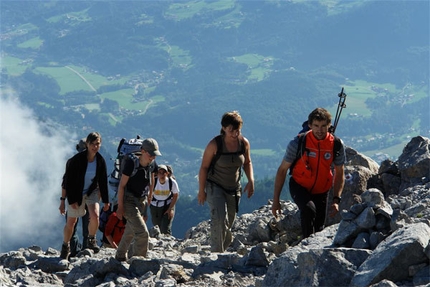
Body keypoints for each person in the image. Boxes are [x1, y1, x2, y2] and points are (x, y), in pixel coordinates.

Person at [271, 107, 346, 239]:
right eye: (316, 126)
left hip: (322, 190)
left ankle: (312, 251)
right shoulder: (299, 143)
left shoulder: (336, 144)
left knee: (319, 228)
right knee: (308, 210)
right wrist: (276, 200)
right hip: (299, 185)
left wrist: (336, 199)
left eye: (323, 126)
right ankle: (306, 245)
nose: (320, 130)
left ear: (329, 125)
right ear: (310, 125)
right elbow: (282, 170)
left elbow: (339, 173)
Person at [198, 111, 254, 253]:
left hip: (234, 188)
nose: (235, 134)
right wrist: (201, 191)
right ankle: (216, 253)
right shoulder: (214, 144)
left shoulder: (243, 143)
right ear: (223, 128)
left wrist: (251, 180)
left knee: (229, 221)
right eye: (231, 130)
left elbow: (247, 162)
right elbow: (204, 167)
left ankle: (224, 243)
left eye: (237, 130)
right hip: (215, 186)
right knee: (219, 218)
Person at [60, 132, 110, 260]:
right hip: (76, 194)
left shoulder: (100, 161)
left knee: (95, 215)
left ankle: (91, 240)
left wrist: (106, 201)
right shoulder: (76, 161)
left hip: (91, 192)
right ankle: (66, 246)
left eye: (97, 144)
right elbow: (68, 182)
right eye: (92, 144)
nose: (95, 147)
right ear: (87, 144)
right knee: (71, 222)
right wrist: (69, 200)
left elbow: (103, 180)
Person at [115, 138, 161, 261]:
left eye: (154, 155)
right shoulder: (131, 163)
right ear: (143, 151)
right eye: (150, 154)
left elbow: (151, 182)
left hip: (142, 200)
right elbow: (122, 186)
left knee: (131, 229)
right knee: (142, 233)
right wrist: (120, 207)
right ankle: (138, 262)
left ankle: (120, 256)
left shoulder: (152, 165)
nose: (153, 157)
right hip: (128, 200)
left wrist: (147, 204)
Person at [59, 138, 90, 257]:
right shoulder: (94, 163)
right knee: (86, 226)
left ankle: (74, 251)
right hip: (88, 199)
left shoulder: (72, 162)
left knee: (71, 226)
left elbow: (65, 183)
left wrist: (62, 201)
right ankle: (86, 251)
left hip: (73, 199)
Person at [150, 164, 179, 235]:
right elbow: (147, 195)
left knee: (165, 228)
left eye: (164, 172)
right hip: (155, 206)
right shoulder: (153, 182)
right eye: (160, 172)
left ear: (167, 173)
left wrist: (170, 209)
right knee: (157, 227)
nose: (162, 175)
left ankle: (168, 242)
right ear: (157, 174)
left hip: (168, 205)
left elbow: (175, 195)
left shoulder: (171, 182)